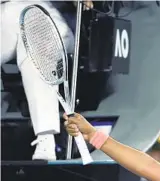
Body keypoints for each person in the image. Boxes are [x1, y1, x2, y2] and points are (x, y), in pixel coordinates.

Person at [1, 0, 92, 161]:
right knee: (12, 14)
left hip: (49, 17)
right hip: (5, 15)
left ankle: (46, 138)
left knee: (37, 37)